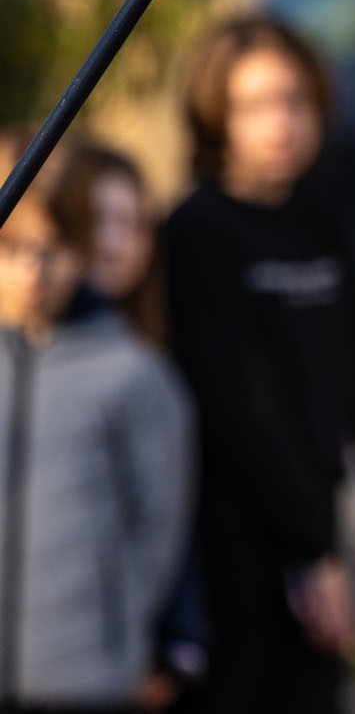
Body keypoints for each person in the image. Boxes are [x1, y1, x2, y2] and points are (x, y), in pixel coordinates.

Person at [159, 17, 355, 714]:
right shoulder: (194, 232)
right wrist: (314, 552)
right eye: (253, 105)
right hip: (226, 543)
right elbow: (236, 409)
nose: (280, 123)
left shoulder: (330, 226)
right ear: (215, 115)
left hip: (319, 526)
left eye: (293, 100)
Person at [0, 134, 194, 714]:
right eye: (12, 247)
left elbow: (158, 527)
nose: (33, 270)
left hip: (85, 676)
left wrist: (120, 631)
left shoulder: (134, 373)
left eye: (55, 247)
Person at [48, 142, 209, 712]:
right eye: (97, 221)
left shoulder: (163, 353)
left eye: (132, 224)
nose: (114, 242)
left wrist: (177, 645)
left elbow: (170, 519)